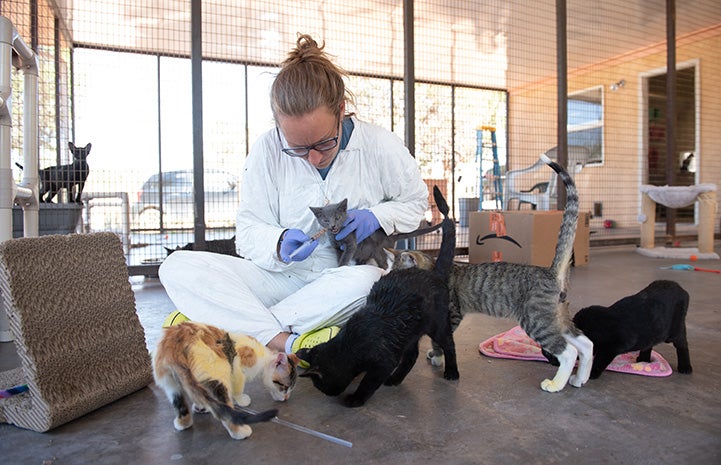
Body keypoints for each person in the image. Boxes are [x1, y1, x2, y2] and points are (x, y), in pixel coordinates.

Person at [158, 34, 428, 354]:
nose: (314, 158)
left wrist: (377, 216)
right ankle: (284, 341)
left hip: (339, 284)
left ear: (341, 110)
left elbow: (416, 204)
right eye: (298, 148)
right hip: (277, 279)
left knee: (372, 281)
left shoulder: (380, 145)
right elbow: (247, 232)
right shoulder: (266, 150)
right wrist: (278, 240)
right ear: (278, 125)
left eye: (324, 143)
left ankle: (223, 324)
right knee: (177, 267)